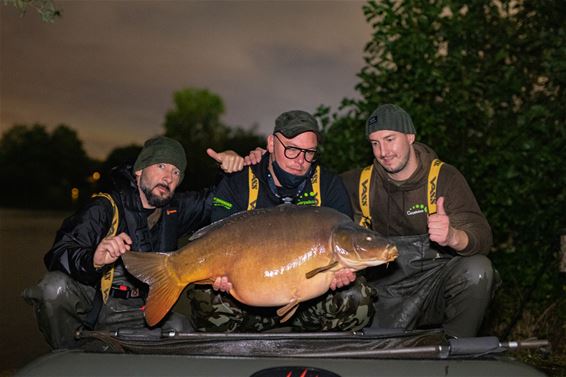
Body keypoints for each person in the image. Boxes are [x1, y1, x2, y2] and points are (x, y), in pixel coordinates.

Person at [23, 136, 245, 349]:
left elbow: (218, 200)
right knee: (53, 288)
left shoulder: (175, 209)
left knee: (181, 329)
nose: (168, 177)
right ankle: (68, 356)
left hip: (138, 311)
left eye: (176, 172)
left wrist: (233, 170)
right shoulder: (104, 206)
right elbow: (58, 253)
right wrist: (93, 260)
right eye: (161, 166)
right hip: (97, 305)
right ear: (139, 171)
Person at [187, 110, 377, 333]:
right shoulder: (239, 182)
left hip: (311, 303)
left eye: (309, 153)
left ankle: (315, 356)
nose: (300, 160)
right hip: (248, 302)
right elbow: (215, 239)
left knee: (358, 299)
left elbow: (346, 246)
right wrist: (218, 277)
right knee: (206, 298)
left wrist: (343, 275)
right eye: (292, 149)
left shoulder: (328, 185)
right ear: (271, 143)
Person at [341, 104, 496, 338]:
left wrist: (454, 236)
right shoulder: (358, 183)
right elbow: (312, 185)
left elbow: (482, 238)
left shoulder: (445, 178)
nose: (383, 151)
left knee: (478, 270)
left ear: (410, 136)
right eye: (375, 143)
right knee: (347, 297)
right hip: (383, 292)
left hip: (435, 287)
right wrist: (266, 161)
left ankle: (456, 351)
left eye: (390, 139)